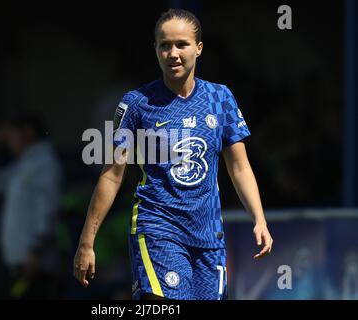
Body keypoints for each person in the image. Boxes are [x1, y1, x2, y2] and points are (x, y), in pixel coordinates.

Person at [74, 9, 273, 300]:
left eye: (182, 44)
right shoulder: (136, 104)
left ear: (199, 48)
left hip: (208, 237)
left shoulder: (221, 98)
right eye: (165, 45)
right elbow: (112, 175)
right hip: (157, 228)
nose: (173, 53)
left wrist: (259, 218)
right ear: (155, 49)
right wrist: (86, 242)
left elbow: (240, 167)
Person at [0, 113, 63, 299]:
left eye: (11, 134)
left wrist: (36, 249)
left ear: (28, 132)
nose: (7, 141)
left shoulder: (44, 162)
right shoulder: (21, 165)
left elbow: (46, 208)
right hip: (21, 261)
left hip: (36, 263)